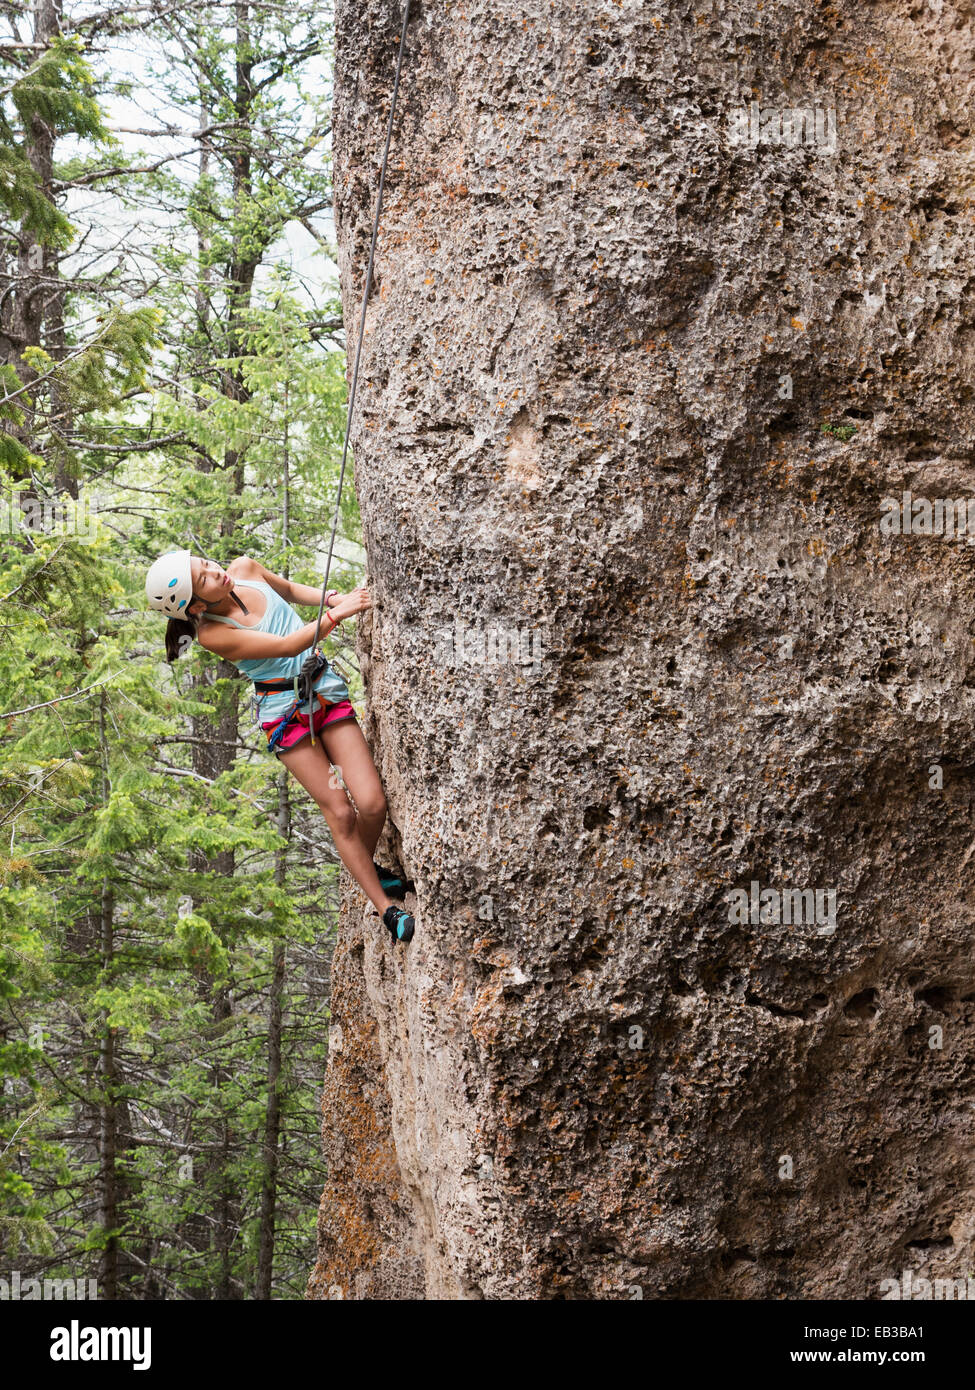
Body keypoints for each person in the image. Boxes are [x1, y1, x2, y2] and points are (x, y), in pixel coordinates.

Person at [144, 547, 414, 943]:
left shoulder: (245, 568)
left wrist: (330, 598)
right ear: (196, 606)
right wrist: (336, 615)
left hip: (323, 692)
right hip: (285, 716)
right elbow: (288, 646)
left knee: (372, 804)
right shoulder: (212, 633)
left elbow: (286, 588)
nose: (215, 572)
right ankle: (385, 908)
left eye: (206, 564)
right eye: (204, 579)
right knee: (339, 811)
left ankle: (367, 871)